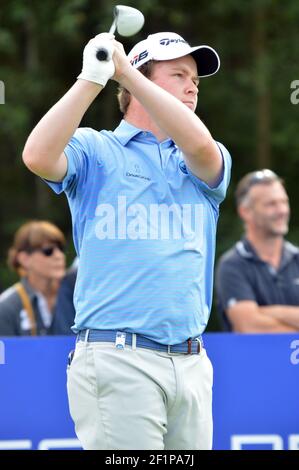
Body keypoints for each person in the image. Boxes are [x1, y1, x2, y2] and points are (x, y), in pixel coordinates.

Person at [22, 31, 231, 449]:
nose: (193, 85)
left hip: (191, 362)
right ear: (140, 78)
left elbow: (201, 146)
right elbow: (38, 156)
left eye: (196, 79)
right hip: (117, 356)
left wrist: (128, 75)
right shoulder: (95, 149)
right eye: (179, 74)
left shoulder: (202, 156)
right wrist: (92, 77)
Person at [216, 169, 299, 333]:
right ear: (245, 212)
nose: (282, 210)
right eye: (271, 204)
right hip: (253, 359)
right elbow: (248, 326)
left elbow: (253, 321)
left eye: (284, 202)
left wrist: (265, 312)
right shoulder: (232, 265)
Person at [0, 220, 66, 336]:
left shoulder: (76, 297)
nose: (59, 255)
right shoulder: (6, 307)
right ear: (24, 259)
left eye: (60, 249)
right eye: (48, 251)